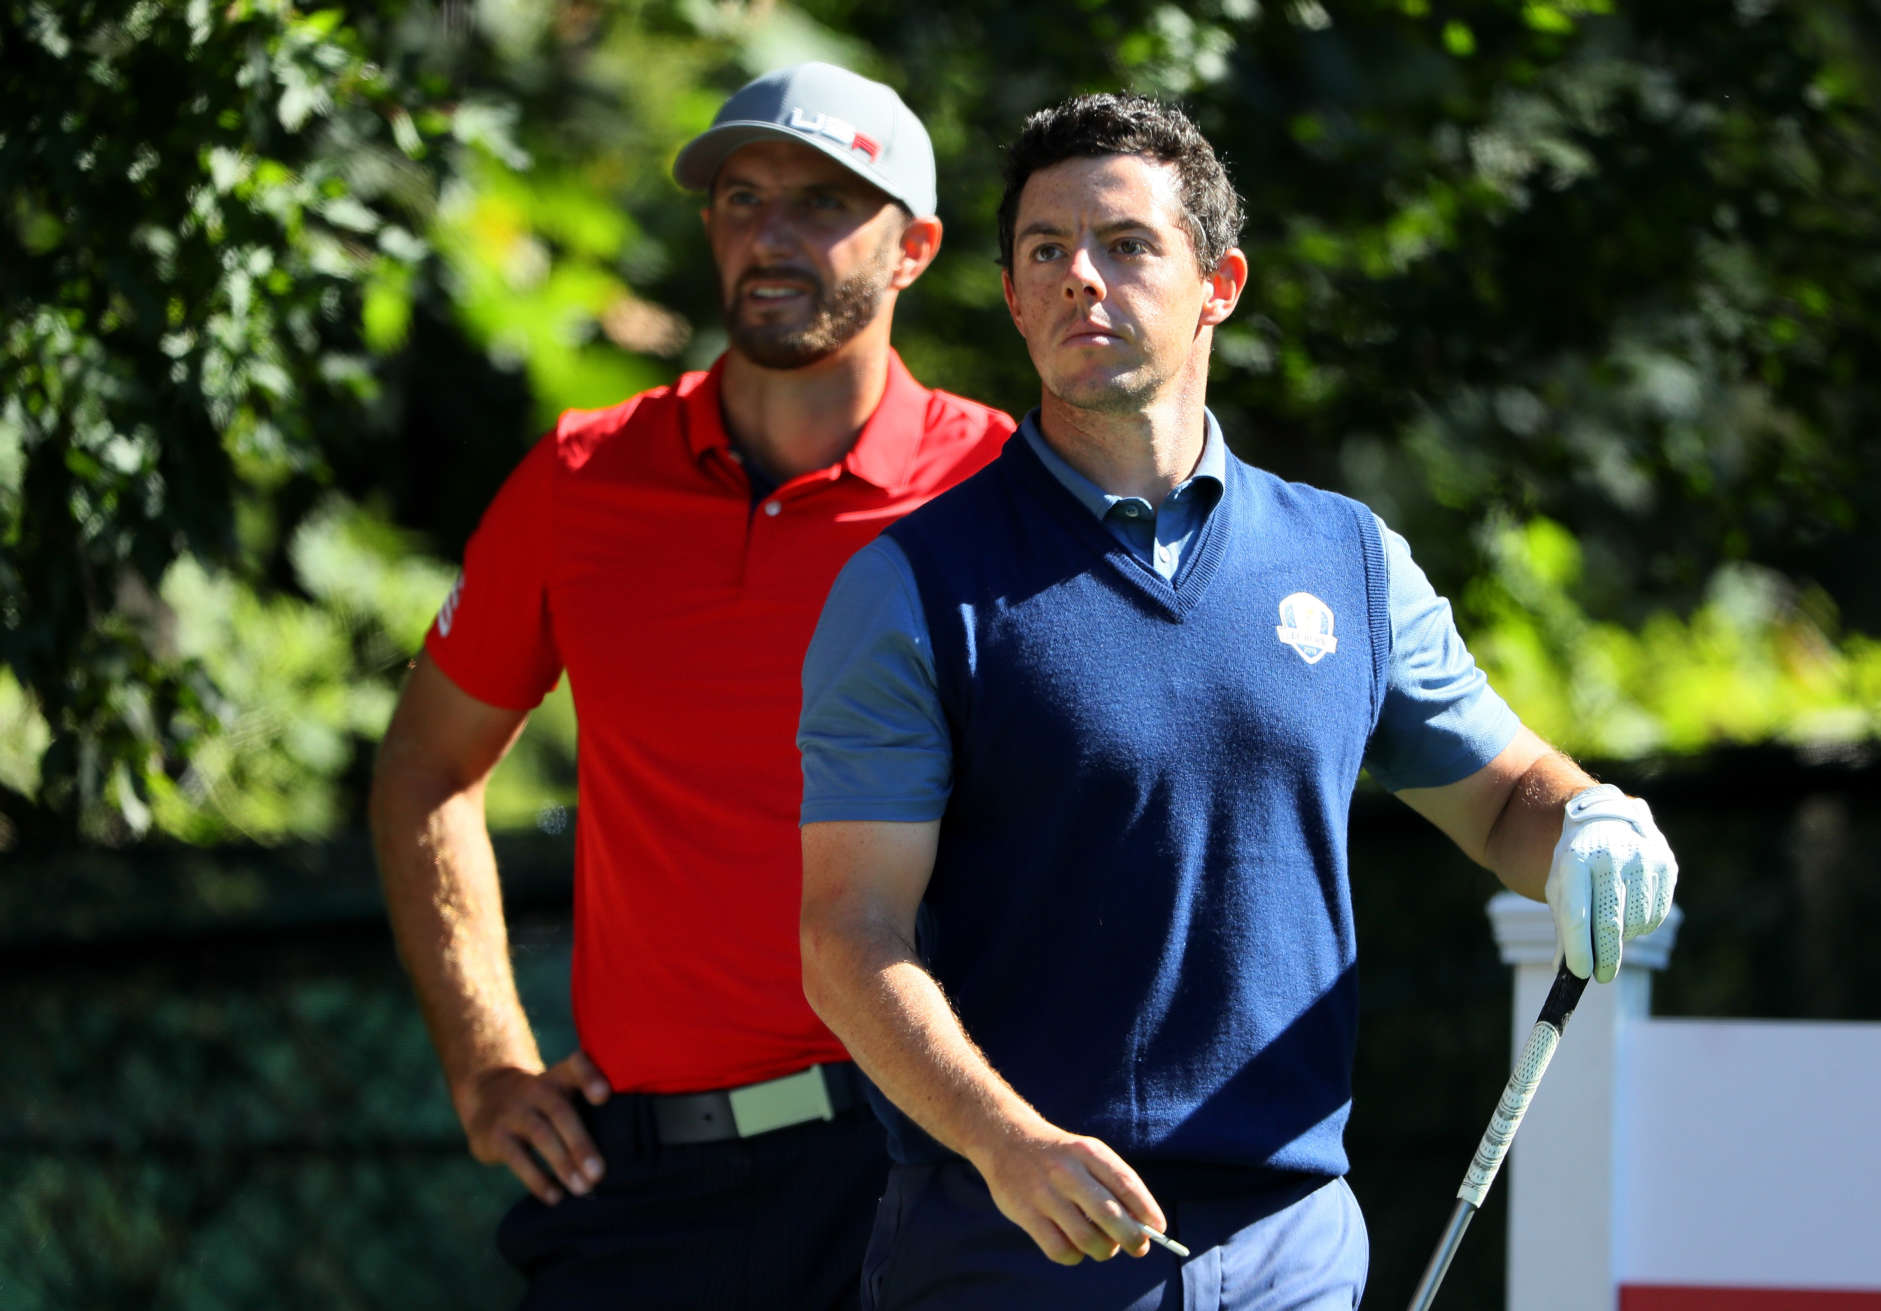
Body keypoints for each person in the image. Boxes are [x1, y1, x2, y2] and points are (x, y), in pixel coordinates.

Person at [795, 92, 1678, 1310]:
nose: (1080, 281)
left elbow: (1505, 799)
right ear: (1008, 296)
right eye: (1045, 252)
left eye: (1127, 245)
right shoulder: (911, 585)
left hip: (1293, 1250)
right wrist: (1007, 1141)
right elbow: (849, 939)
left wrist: (1591, 823)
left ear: (1219, 283)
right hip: (1015, 1242)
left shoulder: (1349, 560)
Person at [369, 63, 1013, 1310]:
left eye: (823, 202)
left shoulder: (1004, 490)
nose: (769, 235)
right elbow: (425, 768)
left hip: (927, 1169)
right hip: (649, 1193)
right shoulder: (580, 477)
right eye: (739, 197)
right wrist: (488, 1061)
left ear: (916, 247)